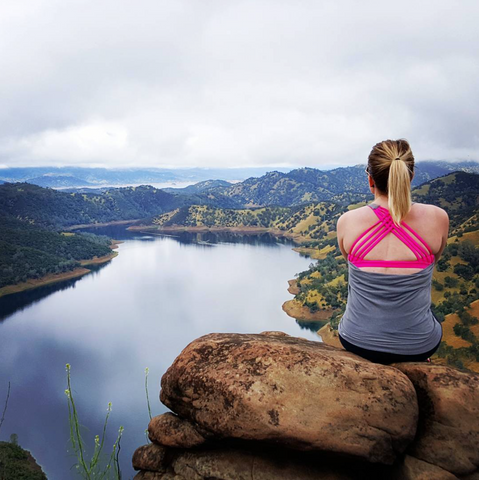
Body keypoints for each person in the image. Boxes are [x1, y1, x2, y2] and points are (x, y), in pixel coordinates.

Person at [336, 139, 449, 364]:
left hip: (356, 340)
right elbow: (434, 260)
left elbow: (348, 259)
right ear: (411, 176)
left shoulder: (347, 221)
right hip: (419, 346)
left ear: (370, 179)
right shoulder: (438, 218)